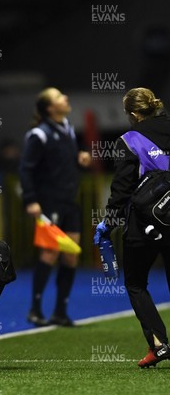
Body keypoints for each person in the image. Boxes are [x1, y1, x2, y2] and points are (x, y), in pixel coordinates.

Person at [95, 87, 170, 368]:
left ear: (134, 114)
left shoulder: (129, 140)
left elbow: (122, 189)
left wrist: (109, 223)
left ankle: (159, 345)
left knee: (136, 283)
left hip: (144, 224)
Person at [20, 87, 91, 327]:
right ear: (50, 108)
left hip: (69, 201)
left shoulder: (68, 129)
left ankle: (61, 311)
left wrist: (79, 159)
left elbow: (61, 164)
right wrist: (30, 200)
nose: (66, 98)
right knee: (49, 253)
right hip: (48, 201)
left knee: (70, 255)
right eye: (60, 97)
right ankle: (35, 309)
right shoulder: (38, 135)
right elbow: (26, 169)